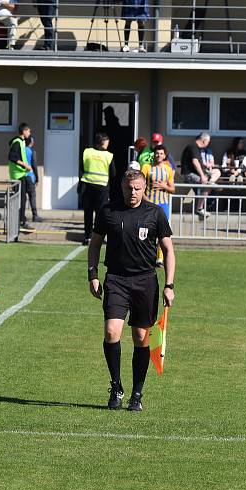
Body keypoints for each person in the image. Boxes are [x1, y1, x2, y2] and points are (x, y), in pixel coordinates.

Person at [87, 168, 175, 412]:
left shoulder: (155, 213)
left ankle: (137, 393)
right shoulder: (108, 211)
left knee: (140, 337)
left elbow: (168, 250)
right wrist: (92, 275)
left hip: (145, 281)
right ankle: (116, 386)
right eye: (128, 189)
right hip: (116, 279)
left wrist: (169, 285)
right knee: (111, 331)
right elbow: (94, 244)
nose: (133, 193)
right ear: (121, 188)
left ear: (144, 188)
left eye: (137, 188)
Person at [141, 144, 175, 267]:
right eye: (156, 153)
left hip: (163, 205)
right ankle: (145, 255)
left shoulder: (168, 169)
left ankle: (159, 258)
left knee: (162, 233)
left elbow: (172, 189)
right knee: (146, 231)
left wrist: (163, 186)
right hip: (149, 204)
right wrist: (145, 200)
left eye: (161, 153)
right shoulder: (146, 167)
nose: (158, 155)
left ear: (165, 155)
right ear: (153, 154)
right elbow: (140, 186)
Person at [79, 133, 115, 245]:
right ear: (103, 142)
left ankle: (87, 237)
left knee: (88, 213)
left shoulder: (87, 152)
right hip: (102, 187)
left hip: (87, 186)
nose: (108, 143)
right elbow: (113, 173)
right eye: (107, 141)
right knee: (100, 214)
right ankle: (98, 238)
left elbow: (81, 167)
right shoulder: (108, 156)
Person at [180, 132, 219, 220]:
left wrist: (206, 166)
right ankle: (199, 209)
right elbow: (195, 162)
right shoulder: (193, 147)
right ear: (204, 140)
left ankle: (211, 182)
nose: (208, 144)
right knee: (206, 186)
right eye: (208, 142)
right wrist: (202, 176)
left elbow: (199, 163)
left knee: (216, 171)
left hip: (198, 173)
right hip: (189, 174)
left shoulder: (196, 148)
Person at [8, 122, 34, 229]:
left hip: (22, 173)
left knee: (26, 195)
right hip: (17, 175)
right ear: (24, 131)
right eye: (28, 131)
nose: (30, 133)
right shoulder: (17, 142)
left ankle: (22, 219)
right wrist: (25, 165)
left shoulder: (21, 142)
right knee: (21, 198)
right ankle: (20, 221)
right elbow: (11, 156)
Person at [24, 135, 42, 223]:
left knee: (22, 198)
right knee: (32, 196)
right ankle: (35, 215)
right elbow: (34, 165)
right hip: (30, 177)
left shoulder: (22, 150)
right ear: (31, 142)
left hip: (22, 176)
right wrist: (37, 178)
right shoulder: (31, 151)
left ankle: (21, 216)